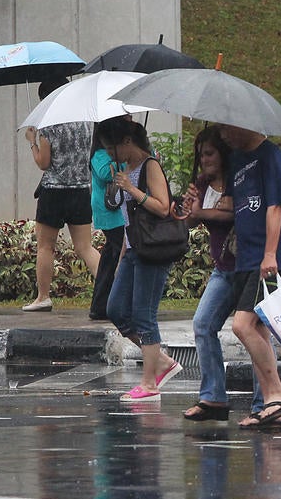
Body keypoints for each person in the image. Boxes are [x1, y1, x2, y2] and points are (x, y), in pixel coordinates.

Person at [181, 127, 265, 422]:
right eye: (201, 155)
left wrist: (202, 213)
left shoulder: (237, 179)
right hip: (223, 269)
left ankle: (263, 402)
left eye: (209, 153)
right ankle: (213, 396)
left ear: (223, 153)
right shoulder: (203, 183)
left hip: (247, 267)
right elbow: (189, 222)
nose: (204, 160)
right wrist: (189, 206)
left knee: (256, 332)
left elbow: (232, 215)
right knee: (203, 324)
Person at [96, 117, 182, 402]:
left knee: (144, 316)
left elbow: (162, 207)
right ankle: (163, 361)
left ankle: (149, 384)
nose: (110, 155)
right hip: (132, 250)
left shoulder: (150, 166)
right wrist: (121, 257)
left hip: (153, 251)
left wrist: (131, 189)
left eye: (112, 149)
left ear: (127, 143)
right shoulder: (125, 169)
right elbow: (127, 221)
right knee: (117, 309)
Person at [221, 124, 281, 428]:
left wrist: (270, 254)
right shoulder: (237, 158)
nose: (225, 136)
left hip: (266, 259)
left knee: (242, 326)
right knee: (260, 331)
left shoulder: (271, 156)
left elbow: (275, 207)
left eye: (228, 130)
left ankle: (278, 392)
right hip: (245, 257)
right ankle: (268, 401)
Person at [22, 78, 100, 312]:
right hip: (80, 191)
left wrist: (32, 143)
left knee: (46, 246)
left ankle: (43, 297)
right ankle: (112, 289)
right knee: (85, 247)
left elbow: (44, 163)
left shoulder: (50, 126)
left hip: (54, 192)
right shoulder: (86, 122)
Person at [88, 128, 125, 321]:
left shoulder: (115, 152)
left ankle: (100, 305)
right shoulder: (99, 154)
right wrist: (126, 160)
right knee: (121, 255)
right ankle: (117, 303)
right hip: (110, 213)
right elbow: (106, 173)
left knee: (109, 259)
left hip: (119, 211)